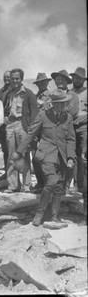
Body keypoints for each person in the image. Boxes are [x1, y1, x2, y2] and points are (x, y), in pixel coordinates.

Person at [12, 89, 76, 226]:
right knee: (52, 181)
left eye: (64, 103)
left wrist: (70, 157)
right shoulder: (43, 115)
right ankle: (39, 214)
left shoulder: (68, 117)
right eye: (59, 103)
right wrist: (19, 151)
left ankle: (54, 216)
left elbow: (71, 139)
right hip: (46, 155)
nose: (62, 106)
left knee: (59, 186)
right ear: (53, 103)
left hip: (62, 156)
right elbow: (30, 134)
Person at [4, 68, 39, 193]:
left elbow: (35, 114)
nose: (14, 81)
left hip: (23, 125)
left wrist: (31, 130)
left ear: (21, 79)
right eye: (12, 78)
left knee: (23, 155)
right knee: (11, 156)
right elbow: (5, 109)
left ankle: (26, 185)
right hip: (11, 125)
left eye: (17, 78)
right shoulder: (8, 93)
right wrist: (5, 118)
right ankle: (13, 185)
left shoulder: (28, 94)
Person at [30, 72, 52, 193]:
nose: (41, 84)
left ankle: (46, 184)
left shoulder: (50, 95)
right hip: (35, 129)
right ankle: (40, 183)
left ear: (47, 83)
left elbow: (47, 108)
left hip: (45, 128)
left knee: (44, 157)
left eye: (43, 82)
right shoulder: (35, 95)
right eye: (39, 83)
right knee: (35, 157)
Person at [70, 67, 87, 220]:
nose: (76, 80)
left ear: (83, 79)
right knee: (72, 156)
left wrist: (83, 118)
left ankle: (83, 186)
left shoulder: (86, 92)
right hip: (71, 127)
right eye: (74, 77)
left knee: (83, 156)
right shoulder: (70, 93)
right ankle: (75, 183)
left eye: (79, 78)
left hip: (84, 127)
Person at [0, 70, 11, 180]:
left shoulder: (17, 91)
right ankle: (6, 172)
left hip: (14, 124)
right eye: (5, 77)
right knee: (5, 151)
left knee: (14, 152)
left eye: (8, 77)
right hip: (2, 127)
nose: (7, 79)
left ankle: (13, 176)